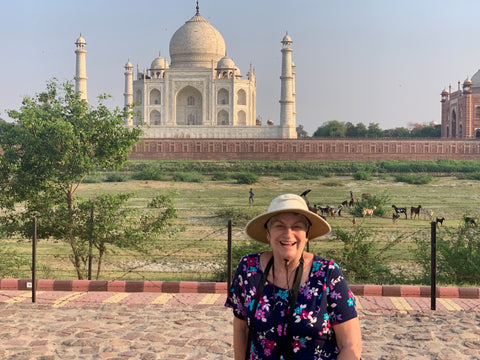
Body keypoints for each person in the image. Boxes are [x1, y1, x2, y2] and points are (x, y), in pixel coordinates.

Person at [225, 194, 362, 360]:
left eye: (297, 227)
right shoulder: (248, 268)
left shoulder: (328, 273)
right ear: (268, 234)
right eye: (279, 226)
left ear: (307, 235)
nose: (288, 234)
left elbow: (350, 346)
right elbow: (241, 329)